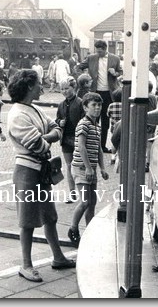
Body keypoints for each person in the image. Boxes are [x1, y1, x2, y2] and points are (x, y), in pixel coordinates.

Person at [7, 69, 76, 283]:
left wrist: (49, 135)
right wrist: (51, 136)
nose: (42, 87)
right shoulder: (18, 114)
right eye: (38, 83)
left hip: (38, 169)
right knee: (27, 220)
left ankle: (58, 256)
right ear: (28, 86)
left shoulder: (33, 108)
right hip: (27, 170)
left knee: (50, 216)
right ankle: (26, 265)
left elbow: (55, 127)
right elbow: (37, 144)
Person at [67, 92, 108, 246]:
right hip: (81, 168)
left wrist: (102, 168)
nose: (97, 108)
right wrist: (89, 168)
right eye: (93, 105)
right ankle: (73, 228)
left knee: (92, 202)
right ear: (85, 107)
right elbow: (81, 147)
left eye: (99, 105)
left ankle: (90, 231)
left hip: (91, 169)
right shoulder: (83, 124)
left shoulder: (97, 126)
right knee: (85, 202)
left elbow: (98, 149)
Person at [76, 40, 123, 153]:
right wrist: (83, 77)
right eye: (97, 51)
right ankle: (92, 146)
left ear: (105, 49)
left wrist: (114, 73)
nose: (99, 54)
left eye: (101, 52)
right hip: (95, 92)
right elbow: (78, 67)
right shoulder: (91, 57)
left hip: (109, 93)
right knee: (93, 120)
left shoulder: (115, 58)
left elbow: (120, 72)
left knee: (105, 121)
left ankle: (102, 146)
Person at [55, 76, 84, 203]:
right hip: (66, 138)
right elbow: (57, 119)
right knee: (69, 165)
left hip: (78, 138)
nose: (64, 91)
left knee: (80, 166)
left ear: (74, 87)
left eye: (67, 88)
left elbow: (85, 120)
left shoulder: (81, 103)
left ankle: (83, 192)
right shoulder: (61, 104)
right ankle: (72, 193)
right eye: (62, 89)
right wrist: (59, 122)